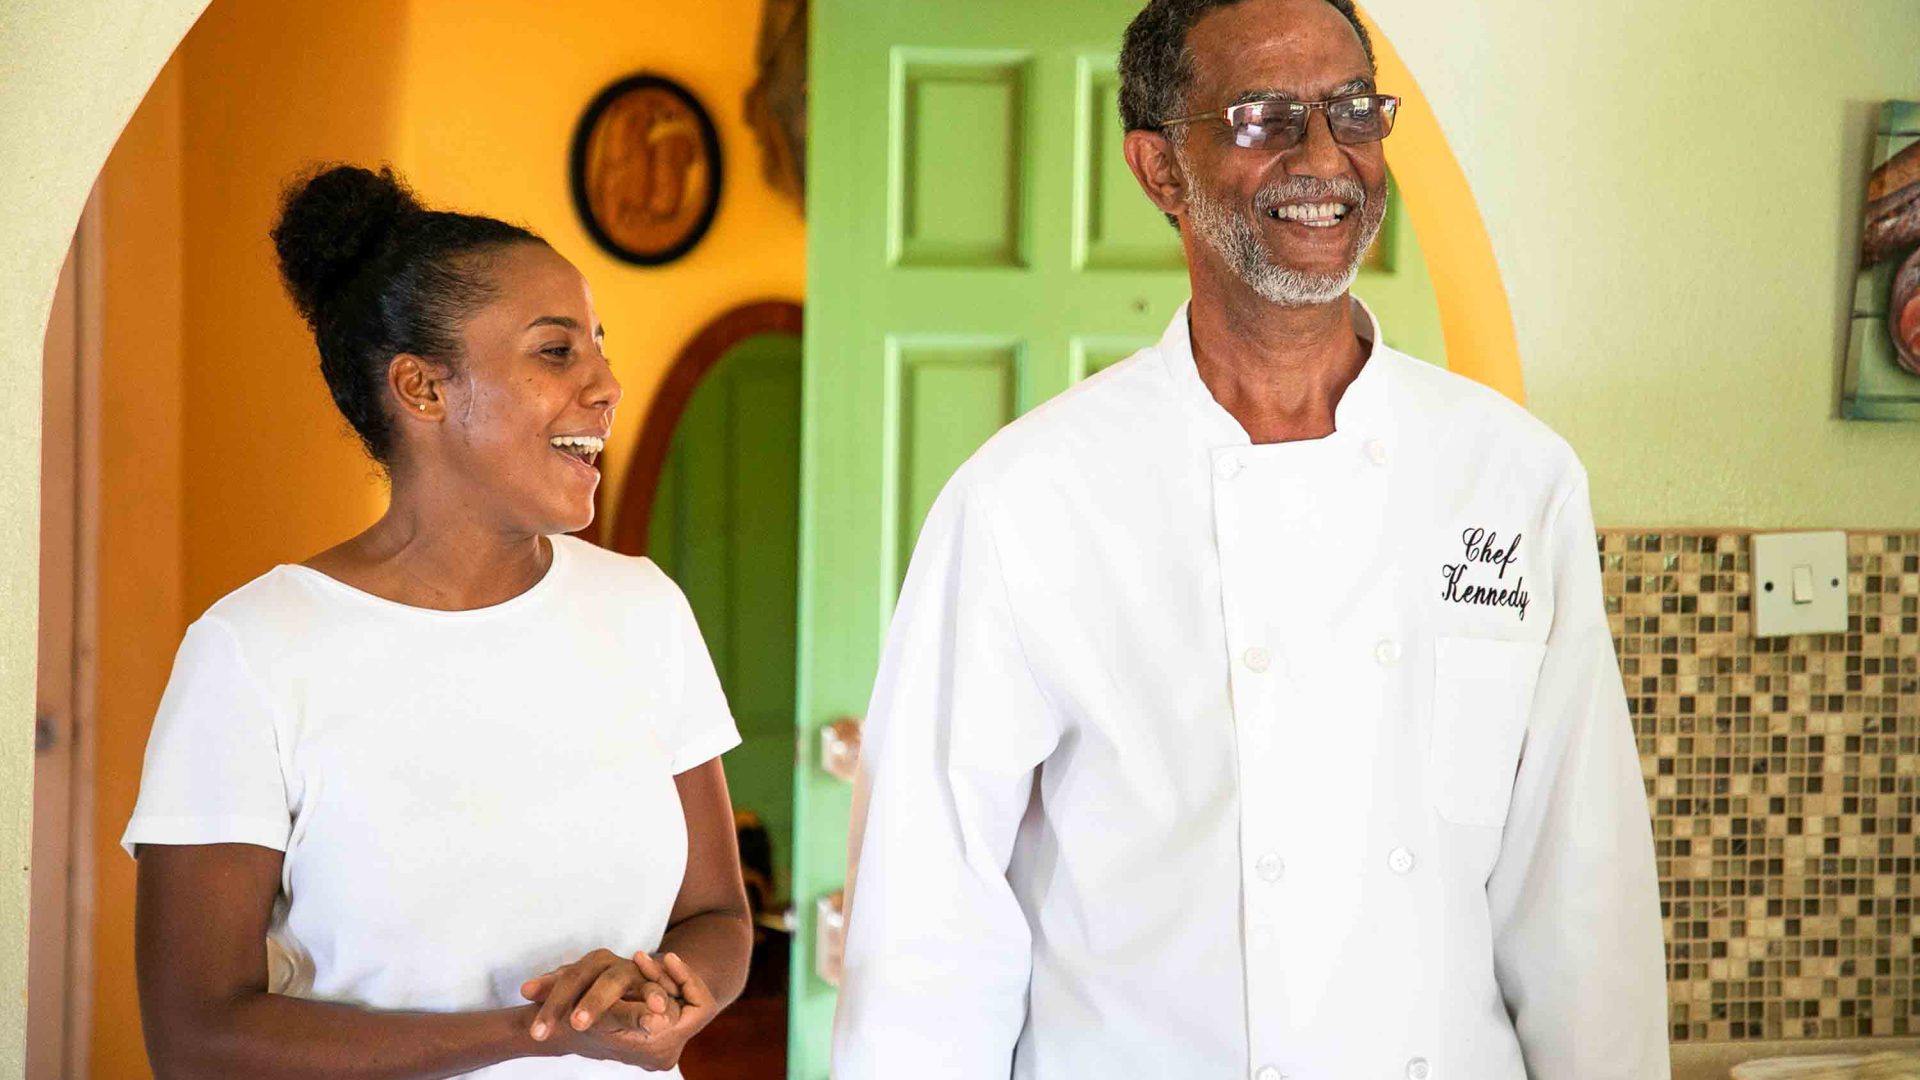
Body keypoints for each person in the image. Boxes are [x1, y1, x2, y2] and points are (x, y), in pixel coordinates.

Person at [830, 1, 1669, 1077]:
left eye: (1353, 112)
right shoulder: (1026, 504)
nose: (1324, 158)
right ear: (1159, 170)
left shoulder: (1513, 479)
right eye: (1264, 117)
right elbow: (926, 936)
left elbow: (1580, 900)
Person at [123, 164, 751, 1078]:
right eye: (556, 351)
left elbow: (720, 919)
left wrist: (663, 988)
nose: (607, 384)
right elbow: (196, 1038)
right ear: (421, 389)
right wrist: (531, 1034)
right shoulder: (254, 652)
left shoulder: (644, 610)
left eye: (600, 346)